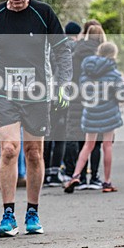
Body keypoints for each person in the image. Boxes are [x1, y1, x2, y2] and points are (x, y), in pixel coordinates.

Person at [0, 0, 72, 236]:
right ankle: (8, 214)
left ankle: (32, 212)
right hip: (4, 93)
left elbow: (62, 50)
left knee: (34, 153)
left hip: (37, 94)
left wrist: (63, 83)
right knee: (9, 149)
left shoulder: (43, 13)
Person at [64, 42, 124, 193]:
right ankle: (107, 182)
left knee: (88, 145)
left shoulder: (87, 70)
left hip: (90, 112)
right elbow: (122, 95)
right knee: (107, 146)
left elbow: (83, 90)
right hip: (109, 113)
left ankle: (75, 175)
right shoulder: (114, 73)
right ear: (114, 55)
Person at [63, 21, 107, 189]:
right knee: (97, 141)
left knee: (82, 139)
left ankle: (80, 176)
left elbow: (70, 77)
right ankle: (94, 177)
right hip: (98, 101)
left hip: (77, 99)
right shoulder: (103, 55)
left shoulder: (76, 53)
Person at [43, 21, 82, 187]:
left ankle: (44, 172)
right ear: (78, 34)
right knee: (61, 133)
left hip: (51, 92)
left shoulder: (55, 47)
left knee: (48, 132)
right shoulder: (77, 49)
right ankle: (55, 172)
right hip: (70, 94)